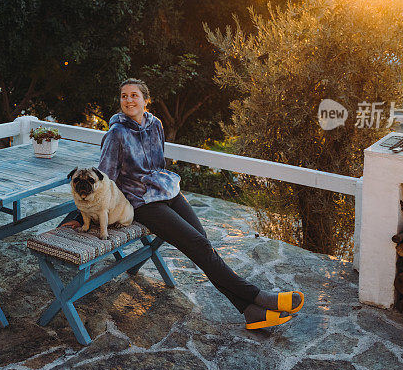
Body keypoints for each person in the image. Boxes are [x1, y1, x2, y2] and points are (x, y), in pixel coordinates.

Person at [61, 78, 303, 329]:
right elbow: (104, 177)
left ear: (146, 100)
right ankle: (257, 296)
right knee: (199, 245)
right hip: (142, 201)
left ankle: (249, 311)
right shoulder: (116, 134)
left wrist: (165, 185)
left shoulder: (155, 125)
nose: (129, 100)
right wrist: (79, 215)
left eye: (134, 95)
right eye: (124, 96)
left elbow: (159, 163)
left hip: (167, 191)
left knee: (202, 242)